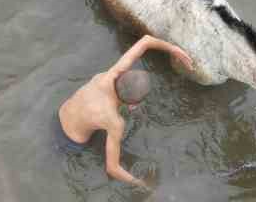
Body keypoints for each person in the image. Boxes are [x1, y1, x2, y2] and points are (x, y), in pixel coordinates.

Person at [58, 34, 195, 189]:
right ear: (133, 105)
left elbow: (146, 41)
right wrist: (141, 184)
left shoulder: (111, 74)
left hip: (61, 113)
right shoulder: (115, 122)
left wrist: (173, 49)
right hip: (71, 143)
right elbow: (112, 168)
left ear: (123, 74)